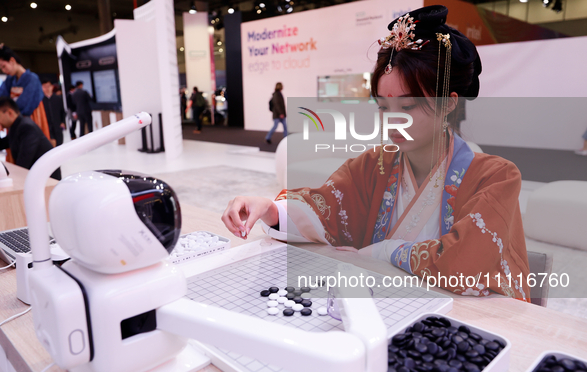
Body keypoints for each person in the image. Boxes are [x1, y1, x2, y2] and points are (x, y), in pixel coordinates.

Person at [222, 6, 530, 301]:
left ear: (449, 103)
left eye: (407, 106)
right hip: (381, 309)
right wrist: (270, 209)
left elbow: (466, 265)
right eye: (383, 107)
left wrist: (385, 251)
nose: (393, 121)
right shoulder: (375, 165)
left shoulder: (496, 178)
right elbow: (326, 209)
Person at [0, 96, 61, 180]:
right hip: (36, 177)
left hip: (47, 181)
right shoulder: (15, 127)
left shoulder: (26, 127)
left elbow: (22, 163)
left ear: (10, 113)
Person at [0, 44, 50, 141]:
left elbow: (25, 105)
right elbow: (0, 99)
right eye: (1, 68)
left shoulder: (32, 79)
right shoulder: (10, 80)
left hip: (30, 121)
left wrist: (5, 118)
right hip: (12, 121)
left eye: (4, 66)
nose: (4, 70)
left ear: (12, 61)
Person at [41, 79, 66, 147]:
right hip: (47, 127)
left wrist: (63, 122)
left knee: (59, 144)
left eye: (48, 86)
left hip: (57, 126)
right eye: (44, 87)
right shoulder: (41, 101)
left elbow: (62, 111)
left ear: (52, 87)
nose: (47, 89)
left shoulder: (57, 99)